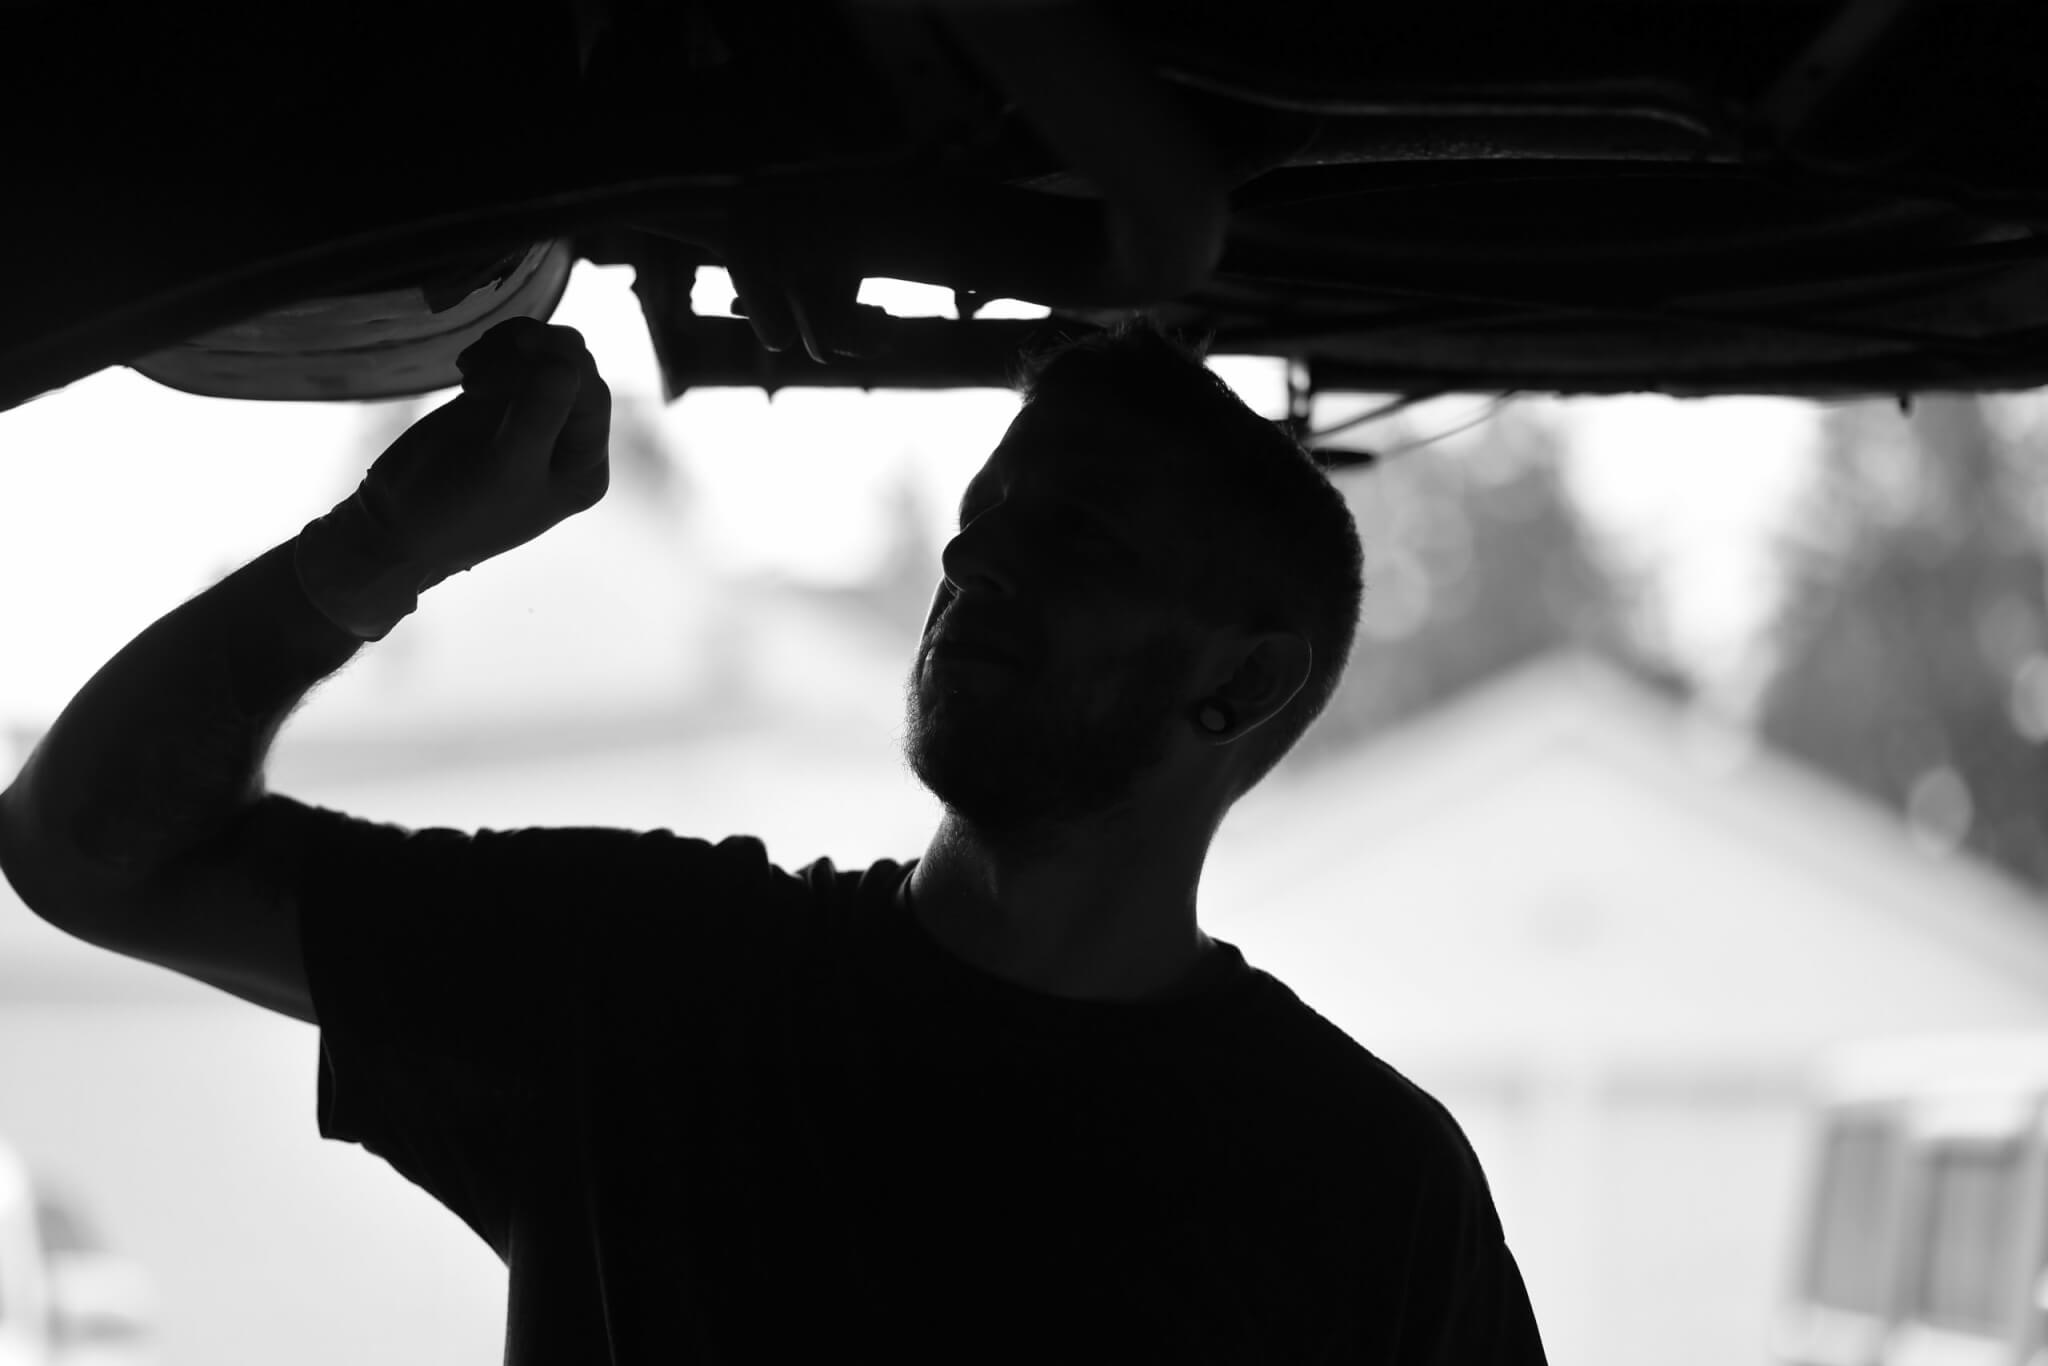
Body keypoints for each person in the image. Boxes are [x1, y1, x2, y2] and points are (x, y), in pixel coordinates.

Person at [0, 313, 1548, 1363]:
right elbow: (86, 846)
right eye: (984, 519)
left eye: (1069, 538)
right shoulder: (645, 978)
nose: (976, 562)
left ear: (1245, 681)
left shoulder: (1364, 1190)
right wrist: (387, 543)